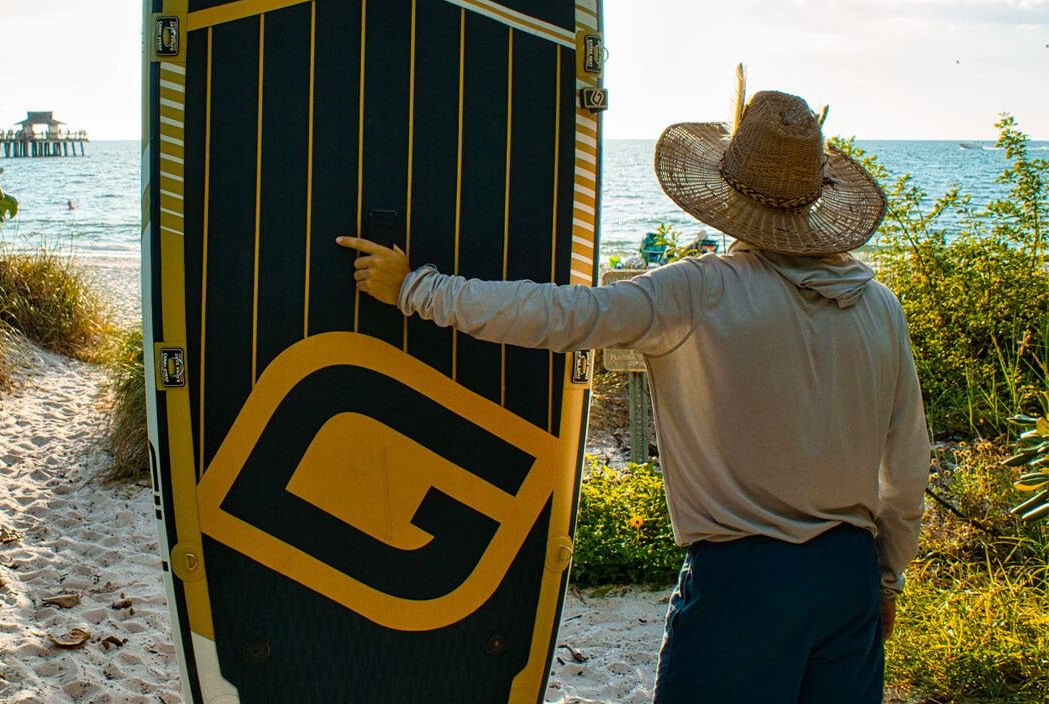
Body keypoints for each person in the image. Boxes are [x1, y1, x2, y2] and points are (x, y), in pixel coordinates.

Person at [337, 88, 930, 704]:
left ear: (727, 198)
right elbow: (908, 463)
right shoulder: (879, 306)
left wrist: (415, 289)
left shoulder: (699, 292)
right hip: (849, 578)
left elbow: (558, 315)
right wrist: (886, 581)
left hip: (743, 581)